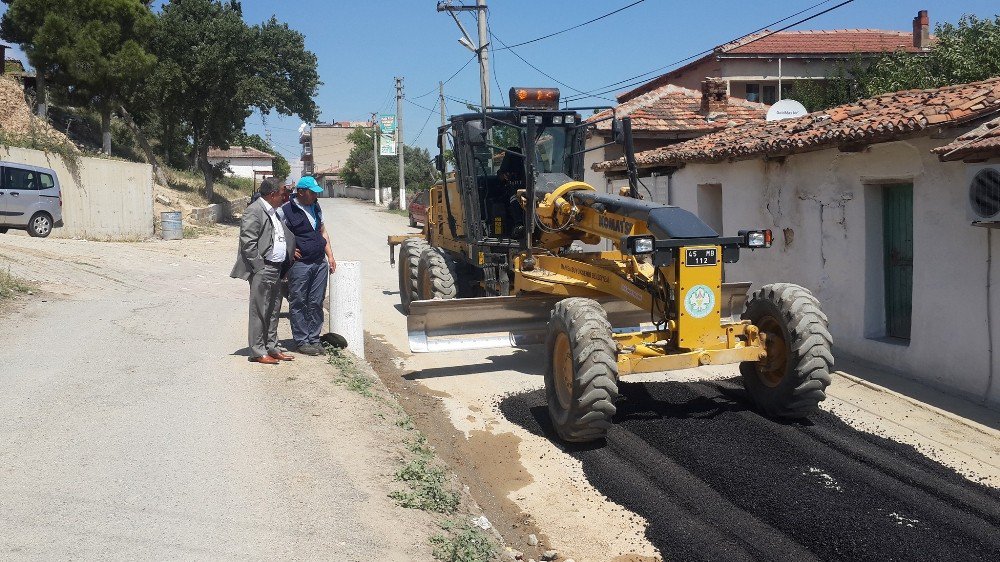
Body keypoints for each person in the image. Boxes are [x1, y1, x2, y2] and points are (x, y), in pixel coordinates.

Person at [231, 178, 296, 364]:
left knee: (273, 309)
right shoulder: (254, 210)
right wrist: (259, 267)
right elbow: (248, 243)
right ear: (273, 194)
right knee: (259, 310)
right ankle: (258, 351)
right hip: (264, 268)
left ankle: (272, 346)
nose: (286, 196)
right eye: (284, 192)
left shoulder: (273, 212)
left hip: (276, 268)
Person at [281, 176, 337, 355]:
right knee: (298, 301)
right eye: (312, 192)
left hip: (319, 262)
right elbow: (275, 233)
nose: (315, 196)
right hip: (299, 264)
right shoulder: (286, 210)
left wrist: (330, 256)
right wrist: (288, 251)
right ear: (301, 192)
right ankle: (301, 340)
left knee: (316, 301)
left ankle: (314, 338)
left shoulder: (316, 207)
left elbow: (323, 232)